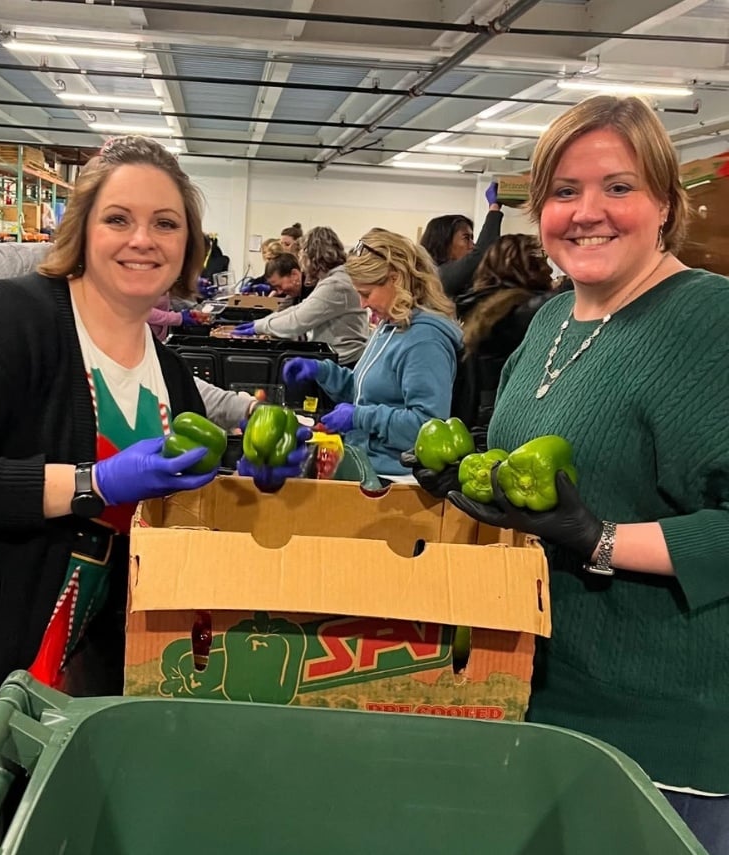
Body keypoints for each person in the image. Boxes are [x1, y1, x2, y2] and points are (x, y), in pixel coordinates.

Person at [409, 96, 729, 854]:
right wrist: (458, 475)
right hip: (533, 697)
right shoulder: (552, 320)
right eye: (563, 190)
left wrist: (602, 538)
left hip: (661, 740)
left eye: (619, 187)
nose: (589, 212)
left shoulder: (711, 321)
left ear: (665, 203)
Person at [0, 135, 304, 747]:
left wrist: (242, 478)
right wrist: (94, 482)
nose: (142, 239)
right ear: (82, 230)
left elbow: (166, 504)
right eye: (118, 218)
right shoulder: (8, 320)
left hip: (87, 675)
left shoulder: (169, 373)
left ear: (188, 246)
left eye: (165, 223)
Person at [0, 241, 255, 433]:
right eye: (117, 218)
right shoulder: (4, 269)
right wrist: (92, 481)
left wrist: (246, 409)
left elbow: (153, 377)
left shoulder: (116, 305)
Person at [283, 228, 462, 477]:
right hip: (366, 463)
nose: (362, 304)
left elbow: (427, 425)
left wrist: (360, 418)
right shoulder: (389, 326)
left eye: (366, 293)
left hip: (394, 478)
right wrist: (323, 371)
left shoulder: (425, 341)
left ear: (395, 279)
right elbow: (366, 392)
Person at [454, 233, 554, 442]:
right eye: (541, 260)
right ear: (530, 265)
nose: (550, 268)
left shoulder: (478, 308)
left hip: (476, 421)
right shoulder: (532, 311)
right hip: (513, 423)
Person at [232, 226, 369, 369]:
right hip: (338, 358)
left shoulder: (336, 284)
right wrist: (263, 322)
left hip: (345, 362)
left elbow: (296, 321)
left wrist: (259, 327)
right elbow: (301, 307)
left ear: (311, 256)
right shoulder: (332, 278)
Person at [420, 182, 503, 298]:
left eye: (472, 238)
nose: (473, 245)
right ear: (445, 243)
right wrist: (494, 208)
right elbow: (480, 255)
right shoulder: (441, 275)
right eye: (466, 238)